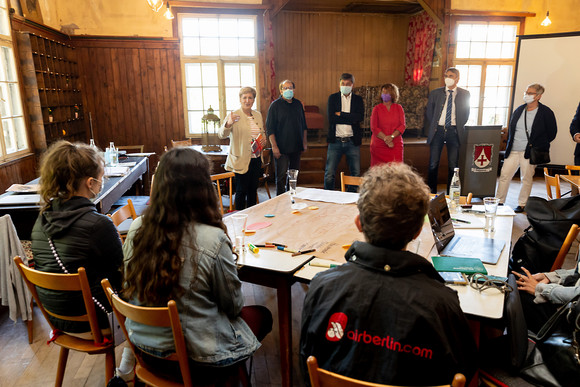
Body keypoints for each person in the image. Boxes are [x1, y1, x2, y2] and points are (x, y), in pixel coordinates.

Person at [299, 163, 477, 386]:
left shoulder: (321, 287)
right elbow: (464, 371)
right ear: (417, 232)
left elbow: (306, 363)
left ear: (359, 224)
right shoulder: (443, 303)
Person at [123, 147, 272, 384]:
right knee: (263, 315)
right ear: (203, 188)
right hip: (199, 363)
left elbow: (129, 288)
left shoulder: (136, 229)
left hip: (146, 353)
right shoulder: (212, 239)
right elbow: (233, 306)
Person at [31, 140, 123, 336]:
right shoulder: (99, 225)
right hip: (98, 320)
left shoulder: (41, 221)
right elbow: (121, 275)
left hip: (56, 318)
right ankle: (136, 356)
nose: (102, 182)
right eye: (101, 178)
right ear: (91, 183)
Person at [496, 83, 557, 213]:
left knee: (526, 178)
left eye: (530, 93)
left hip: (529, 152)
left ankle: (522, 203)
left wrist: (538, 144)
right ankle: (499, 201)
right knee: (504, 175)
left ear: (538, 96)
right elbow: (512, 129)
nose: (526, 95)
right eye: (526, 92)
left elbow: (552, 132)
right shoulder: (519, 110)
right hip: (513, 150)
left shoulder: (546, 112)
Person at [219, 86, 267, 210]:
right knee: (241, 191)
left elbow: (262, 133)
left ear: (253, 100)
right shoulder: (234, 115)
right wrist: (228, 123)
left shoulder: (257, 114)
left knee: (253, 190)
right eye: (244, 97)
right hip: (240, 159)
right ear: (240, 99)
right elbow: (221, 134)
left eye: (250, 98)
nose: (247, 100)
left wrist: (264, 140)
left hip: (256, 158)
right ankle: (239, 218)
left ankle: (252, 217)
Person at [424, 67, 470, 194]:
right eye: (446, 75)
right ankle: (432, 192)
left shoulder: (465, 94)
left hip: (453, 131)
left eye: (450, 76)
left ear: (457, 79)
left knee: (453, 165)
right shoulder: (435, 93)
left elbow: (465, 114)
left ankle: (451, 193)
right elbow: (429, 112)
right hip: (437, 130)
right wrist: (435, 124)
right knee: (433, 163)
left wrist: (456, 125)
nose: (447, 78)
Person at [513, 261, 580, 334]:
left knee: (516, 295)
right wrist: (549, 276)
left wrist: (540, 288)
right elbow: (577, 272)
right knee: (516, 280)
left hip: (573, 316)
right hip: (571, 297)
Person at [266, 79, 308, 195]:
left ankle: (292, 197)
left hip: (296, 146)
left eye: (290, 88)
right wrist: (274, 147)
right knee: (281, 177)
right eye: (285, 88)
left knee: (293, 176)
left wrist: (304, 143)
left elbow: (304, 125)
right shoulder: (275, 106)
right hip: (281, 148)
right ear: (281, 91)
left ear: (294, 90)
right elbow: (270, 128)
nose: (288, 90)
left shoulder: (298, 104)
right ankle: (280, 200)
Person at [323, 73, 364, 190]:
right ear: (339, 84)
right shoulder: (333, 98)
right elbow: (331, 119)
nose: (345, 86)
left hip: (352, 141)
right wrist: (351, 118)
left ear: (352, 85)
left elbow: (359, 118)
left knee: (355, 174)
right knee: (329, 173)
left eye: (348, 84)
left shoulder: (358, 99)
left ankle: (350, 198)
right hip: (335, 141)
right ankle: (328, 198)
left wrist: (341, 114)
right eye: (343, 84)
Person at [370, 83, 406, 166]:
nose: (384, 94)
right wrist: (386, 138)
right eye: (383, 92)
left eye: (387, 93)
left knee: (396, 171)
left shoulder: (399, 108)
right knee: (379, 173)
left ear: (393, 95)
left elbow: (402, 125)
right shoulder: (376, 108)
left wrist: (391, 137)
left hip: (395, 144)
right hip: (379, 145)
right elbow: (374, 127)